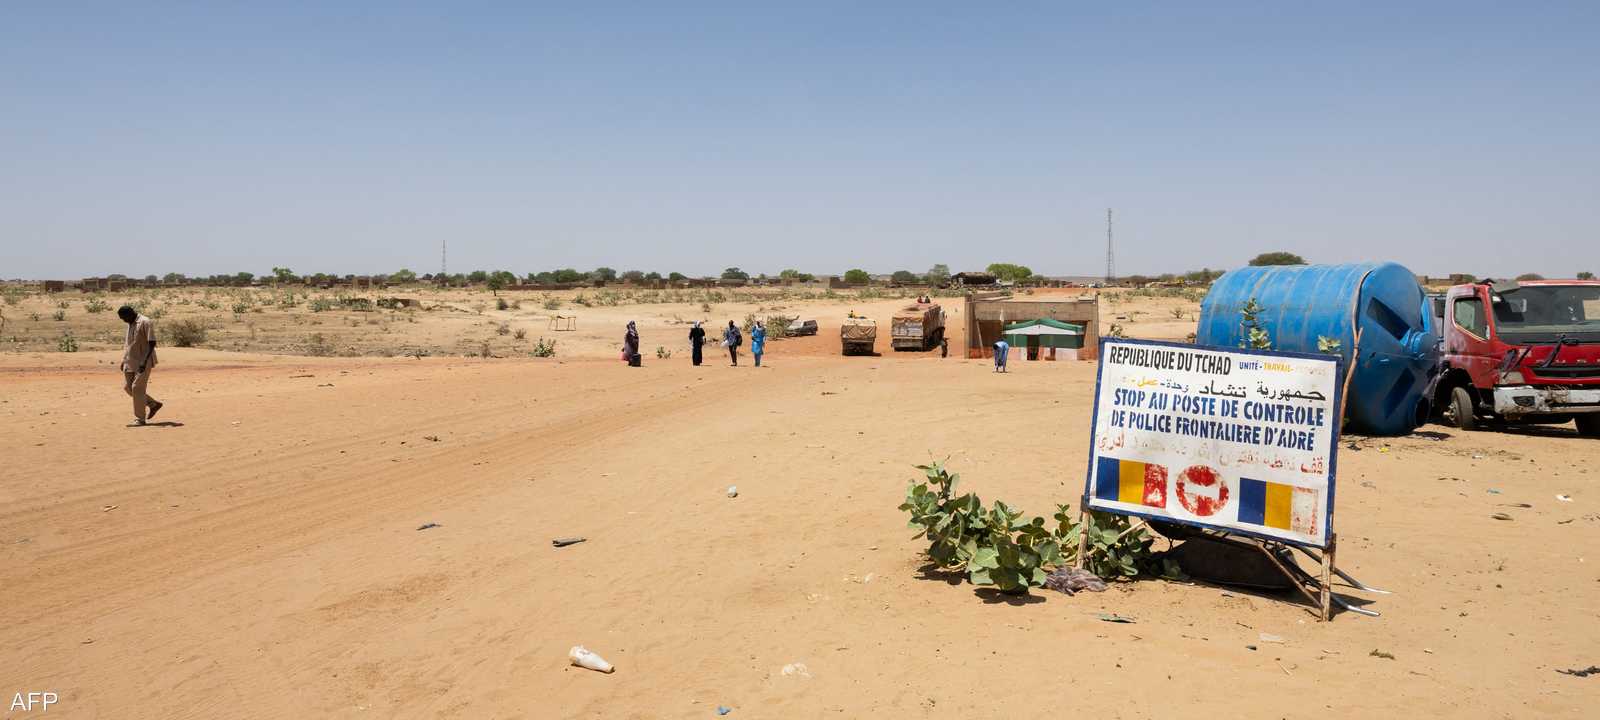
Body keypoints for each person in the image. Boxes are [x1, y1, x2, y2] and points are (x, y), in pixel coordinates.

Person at [118, 305, 163, 426]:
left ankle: (140, 419)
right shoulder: (130, 323)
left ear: (131, 313)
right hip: (130, 360)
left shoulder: (145, 322)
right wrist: (124, 359)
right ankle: (153, 404)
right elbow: (129, 343)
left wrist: (144, 361)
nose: (124, 320)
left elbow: (152, 343)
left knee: (137, 388)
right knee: (128, 387)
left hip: (143, 360)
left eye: (124, 318)